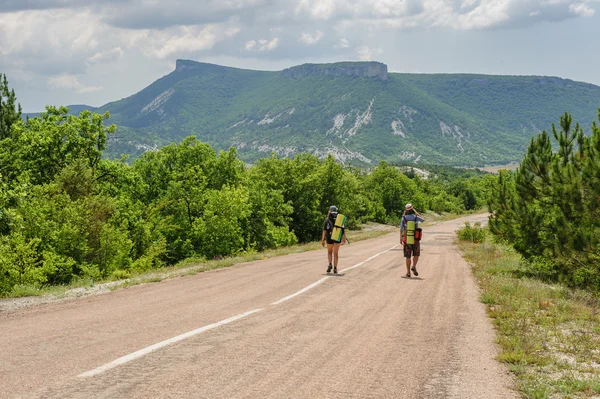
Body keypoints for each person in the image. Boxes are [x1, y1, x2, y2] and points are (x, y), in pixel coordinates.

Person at [400, 203, 425, 278]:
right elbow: (423, 220)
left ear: (406, 210)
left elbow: (401, 229)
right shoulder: (415, 217)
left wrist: (401, 239)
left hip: (407, 239)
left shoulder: (404, 218)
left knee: (408, 256)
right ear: (412, 209)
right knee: (416, 254)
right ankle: (414, 266)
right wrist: (416, 213)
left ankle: (408, 272)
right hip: (415, 239)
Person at [321, 205, 347, 274]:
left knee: (329, 252)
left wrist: (322, 239)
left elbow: (324, 230)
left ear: (330, 210)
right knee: (335, 253)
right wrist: (344, 238)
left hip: (329, 237)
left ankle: (330, 264)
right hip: (337, 237)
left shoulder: (327, 219)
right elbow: (343, 229)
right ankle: (335, 268)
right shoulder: (339, 219)